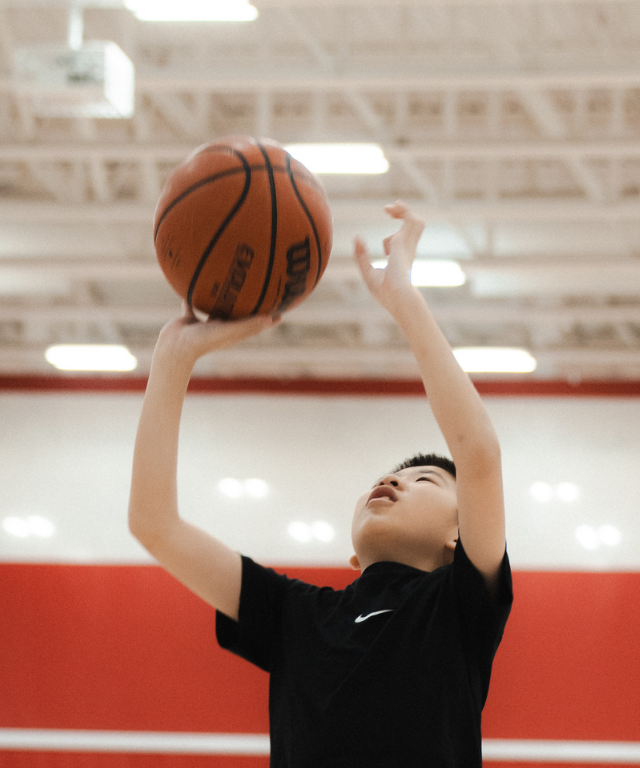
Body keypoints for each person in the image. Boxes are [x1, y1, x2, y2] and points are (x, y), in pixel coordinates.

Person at [129, 201, 513, 767]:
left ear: (459, 538)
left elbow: (478, 452)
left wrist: (404, 301)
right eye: (388, 475)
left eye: (426, 478)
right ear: (352, 556)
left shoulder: (457, 607)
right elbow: (153, 524)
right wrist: (172, 359)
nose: (393, 479)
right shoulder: (295, 615)